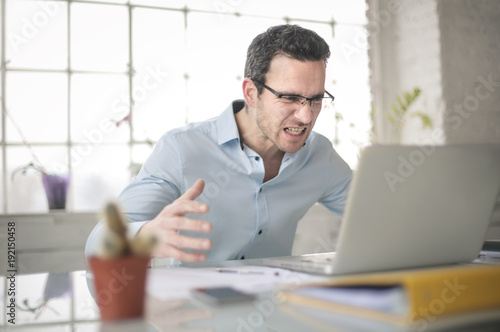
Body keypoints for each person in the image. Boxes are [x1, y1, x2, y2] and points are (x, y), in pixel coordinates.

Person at [85, 24, 352, 264]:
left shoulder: (320, 155)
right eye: (289, 97)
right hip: (196, 312)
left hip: (276, 309)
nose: (306, 116)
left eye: (316, 99)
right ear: (251, 93)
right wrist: (144, 237)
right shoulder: (181, 149)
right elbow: (98, 244)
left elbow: (379, 213)